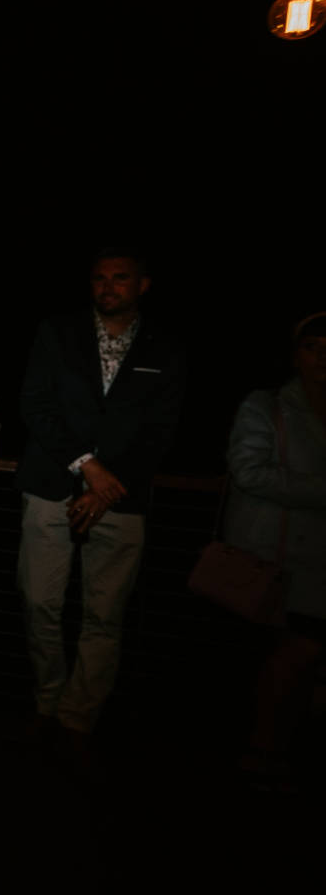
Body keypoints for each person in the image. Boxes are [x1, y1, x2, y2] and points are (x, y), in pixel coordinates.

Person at [15, 249, 185, 750]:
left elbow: (162, 430)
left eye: (120, 278)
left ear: (143, 284)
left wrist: (107, 485)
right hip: (51, 485)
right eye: (100, 279)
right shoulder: (58, 331)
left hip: (121, 498)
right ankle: (47, 702)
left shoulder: (166, 348)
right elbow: (35, 403)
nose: (108, 287)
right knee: (38, 601)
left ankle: (77, 720)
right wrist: (84, 464)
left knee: (104, 616)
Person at [223, 311, 325, 789]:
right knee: (281, 656)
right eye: (313, 346)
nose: (322, 356)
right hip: (270, 560)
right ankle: (261, 753)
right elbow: (248, 470)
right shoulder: (267, 406)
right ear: (295, 355)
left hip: (314, 568)